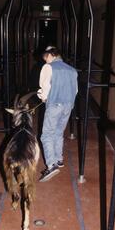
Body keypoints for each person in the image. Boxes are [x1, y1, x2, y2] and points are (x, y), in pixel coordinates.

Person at [37, 46, 78, 182]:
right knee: (59, 132)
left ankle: (51, 165)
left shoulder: (49, 67)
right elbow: (75, 90)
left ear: (51, 55)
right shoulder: (72, 70)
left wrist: (42, 96)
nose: (46, 61)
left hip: (55, 104)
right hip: (68, 106)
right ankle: (59, 159)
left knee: (47, 135)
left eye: (46, 58)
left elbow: (45, 90)